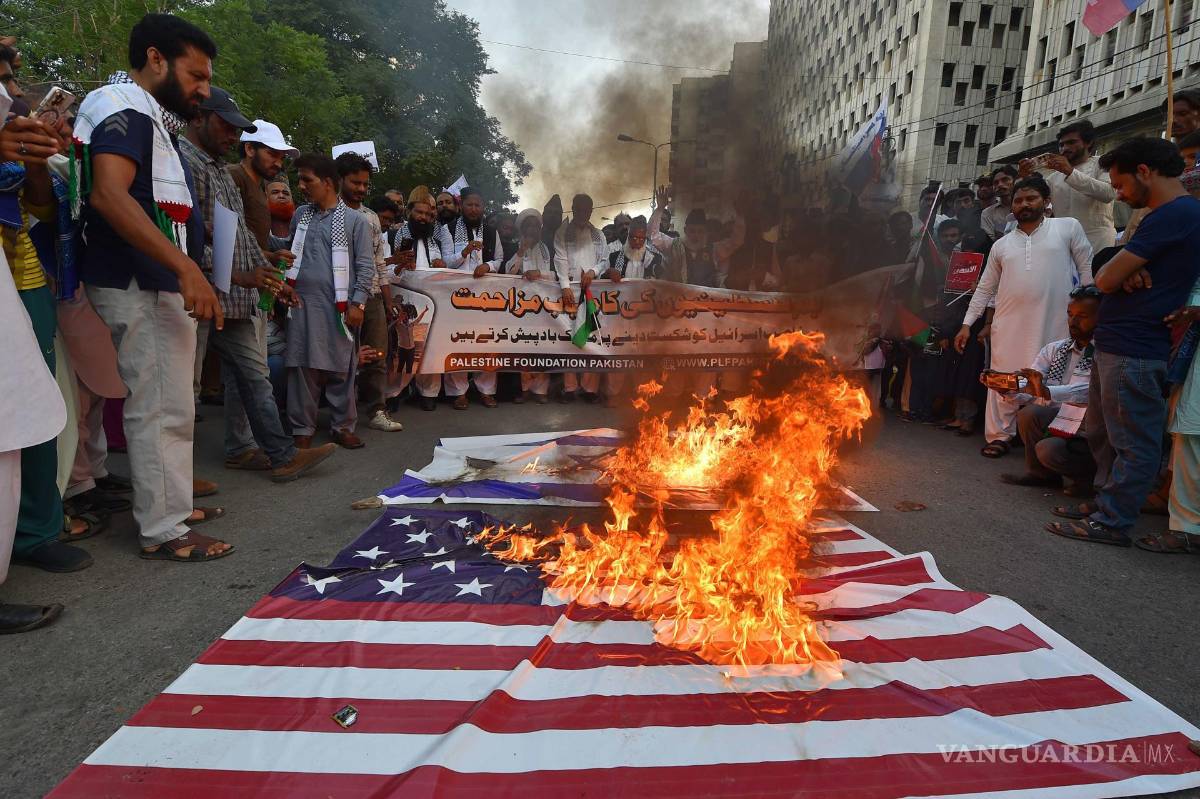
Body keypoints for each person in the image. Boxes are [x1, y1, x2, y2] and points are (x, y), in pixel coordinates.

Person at [76, 13, 234, 562]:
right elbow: (109, 196)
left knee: (171, 402)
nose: (204, 90)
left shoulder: (146, 115)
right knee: (161, 403)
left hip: (153, 276)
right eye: (197, 76)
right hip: (139, 278)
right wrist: (187, 269)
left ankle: (171, 504)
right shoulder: (122, 107)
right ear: (155, 59)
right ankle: (164, 530)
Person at [1046, 137, 1200, 547]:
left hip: (1136, 345)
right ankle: (1103, 501)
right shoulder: (1159, 216)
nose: (1118, 193)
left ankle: (1113, 521)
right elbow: (1109, 268)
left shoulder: (1177, 214)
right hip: (1116, 342)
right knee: (1103, 431)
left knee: (1134, 441)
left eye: (1120, 184)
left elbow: (1106, 278)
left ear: (1145, 172)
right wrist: (1124, 267)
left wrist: (1122, 269)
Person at [180, 88, 337, 482]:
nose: (279, 162)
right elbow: (186, 235)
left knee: (253, 375)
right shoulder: (191, 162)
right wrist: (244, 275)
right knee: (187, 388)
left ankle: (280, 456)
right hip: (199, 295)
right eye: (273, 153)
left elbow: (241, 238)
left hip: (235, 296)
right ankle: (176, 475)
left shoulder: (220, 171)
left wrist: (267, 277)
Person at [0, 76, 72, 628]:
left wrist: (33, 161)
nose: (12, 81)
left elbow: (41, 210)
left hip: (20, 273)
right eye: (5, 68)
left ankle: (37, 532)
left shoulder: (13, 124)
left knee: (34, 405)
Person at [956, 175, 1093, 458]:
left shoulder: (1067, 227)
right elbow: (985, 287)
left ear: (1045, 201)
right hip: (1008, 325)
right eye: (1019, 200)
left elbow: (1087, 270)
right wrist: (967, 324)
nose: (1024, 204)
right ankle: (999, 436)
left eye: (1031, 198)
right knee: (1002, 379)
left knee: (1053, 381)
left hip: (1055, 322)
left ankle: (1044, 437)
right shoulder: (1002, 245)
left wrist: (1090, 316)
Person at [284, 153, 375, 449]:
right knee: (302, 365)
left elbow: (365, 266)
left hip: (338, 307)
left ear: (326, 183)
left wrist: (358, 303)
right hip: (302, 304)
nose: (301, 186)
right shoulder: (300, 215)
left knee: (341, 368)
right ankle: (302, 428)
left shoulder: (355, 221)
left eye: (306, 180)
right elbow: (289, 253)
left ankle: (342, 426)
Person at [999, 287, 1100, 495]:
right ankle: (1041, 475)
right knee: (1029, 414)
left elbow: (1087, 392)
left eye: (1082, 316)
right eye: (1070, 315)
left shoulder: (1106, 353)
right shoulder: (1055, 349)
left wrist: (1046, 391)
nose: (1073, 322)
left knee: (1048, 449)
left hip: (1090, 430)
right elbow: (1031, 386)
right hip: (1060, 421)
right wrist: (1007, 386)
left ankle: (1089, 481)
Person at [335, 152, 401, 432]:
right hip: (338, 294)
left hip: (371, 295)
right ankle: (339, 413)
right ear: (339, 180)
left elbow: (378, 263)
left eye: (365, 184)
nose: (361, 189)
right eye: (355, 183)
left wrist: (387, 301)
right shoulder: (327, 211)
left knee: (376, 355)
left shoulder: (372, 218)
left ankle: (376, 410)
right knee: (339, 354)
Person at [443, 186, 502, 407]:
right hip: (456, 296)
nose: (474, 209)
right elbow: (446, 261)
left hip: (487, 297)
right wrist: (465, 252)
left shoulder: (491, 230)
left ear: (483, 207)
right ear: (461, 206)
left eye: (478, 205)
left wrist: (487, 265)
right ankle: (458, 392)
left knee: (487, 342)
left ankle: (486, 390)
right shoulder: (448, 229)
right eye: (469, 204)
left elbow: (499, 259)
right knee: (459, 341)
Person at [1019, 121, 1116, 253]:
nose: (1064, 148)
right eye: (1061, 145)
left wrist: (1070, 172)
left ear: (1088, 143)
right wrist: (1026, 177)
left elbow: (1108, 194)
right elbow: (1039, 201)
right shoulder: (1053, 177)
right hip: (1064, 243)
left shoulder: (1101, 163)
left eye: (1071, 142)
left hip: (1098, 241)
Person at [394, 186, 449, 411]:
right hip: (406, 302)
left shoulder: (433, 243)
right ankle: (395, 392)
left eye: (428, 215)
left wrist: (441, 265)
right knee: (403, 354)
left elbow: (444, 268)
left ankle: (429, 393)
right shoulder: (395, 235)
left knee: (432, 348)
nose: (424, 218)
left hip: (432, 303)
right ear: (410, 213)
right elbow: (386, 268)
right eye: (420, 213)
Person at [553, 193, 608, 401]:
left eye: (587, 209)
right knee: (569, 338)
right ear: (573, 208)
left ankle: (589, 389)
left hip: (592, 291)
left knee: (590, 337)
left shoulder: (599, 234)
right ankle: (569, 388)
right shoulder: (562, 231)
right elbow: (560, 259)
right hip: (569, 291)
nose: (583, 212)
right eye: (579, 208)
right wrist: (565, 286)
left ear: (591, 211)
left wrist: (593, 271)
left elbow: (604, 261)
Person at [231, 118, 297, 252]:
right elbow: (231, 239)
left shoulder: (260, 187)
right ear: (249, 149)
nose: (278, 164)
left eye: (282, 158)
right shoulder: (233, 177)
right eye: (272, 154)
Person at [980, 165, 1018, 240]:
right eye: (996, 183)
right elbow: (991, 241)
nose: (1000, 185)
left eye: (1005, 180)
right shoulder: (987, 213)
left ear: (1015, 181)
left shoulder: (1028, 206)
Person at [266, 178, 294, 242]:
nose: (281, 196)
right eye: (275, 192)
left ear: (291, 199)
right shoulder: (257, 221)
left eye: (286, 193)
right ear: (266, 197)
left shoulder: (301, 220)